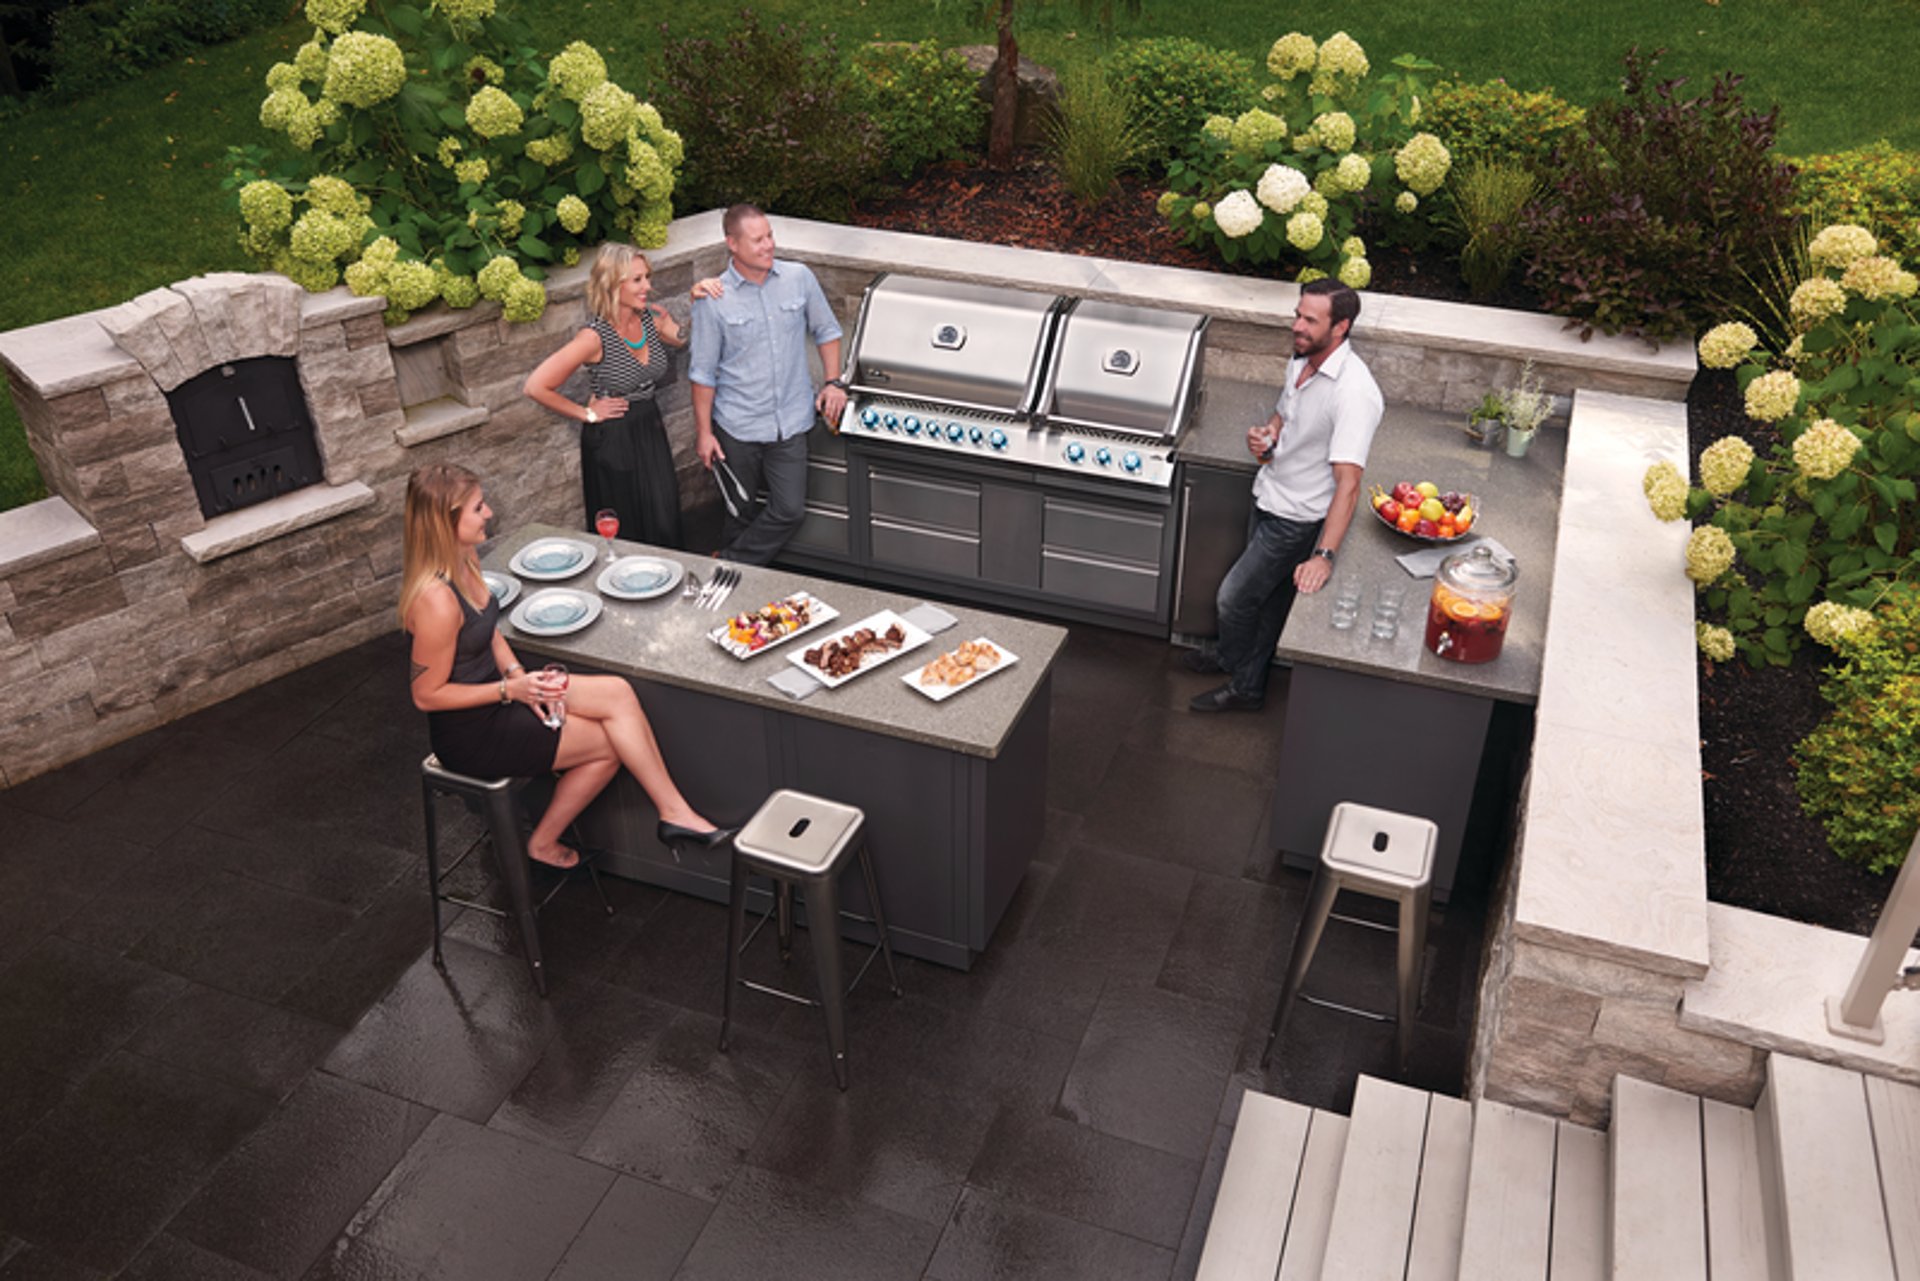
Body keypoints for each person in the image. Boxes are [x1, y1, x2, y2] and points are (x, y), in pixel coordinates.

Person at [399, 463, 729, 866]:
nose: (489, 513)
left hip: (503, 695)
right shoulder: (435, 599)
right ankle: (544, 842)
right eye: (478, 508)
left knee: (618, 692)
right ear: (445, 522)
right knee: (609, 745)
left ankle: (674, 813)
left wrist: (517, 674)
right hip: (471, 733)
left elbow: (488, 630)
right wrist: (509, 690)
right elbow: (426, 696)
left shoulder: (464, 557)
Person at [1189, 278, 1384, 713]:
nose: (1297, 326)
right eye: (1298, 315)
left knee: (1234, 598)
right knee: (1266, 602)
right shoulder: (1303, 358)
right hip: (1269, 493)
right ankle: (1247, 683)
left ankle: (1234, 666)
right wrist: (1268, 436)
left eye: (1310, 320)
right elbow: (1285, 414)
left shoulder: (1354, 393)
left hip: (1297, 520)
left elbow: (1349, 484)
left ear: (1340, 327)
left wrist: (1323, 556)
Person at [687, 204, 847, 565]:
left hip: (790, 421)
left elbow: (827, 330)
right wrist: (704, 433)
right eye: (757, 240)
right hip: (737, 427)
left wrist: (833, 382)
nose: (769, 245)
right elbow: (702, 374)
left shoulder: (799, 278)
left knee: (789, 509)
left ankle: (727, 562)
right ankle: (736, 584)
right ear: (732, 243)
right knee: (739, 511)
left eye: (770, 235)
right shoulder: (713, 300)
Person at [524, 244, 688, 549]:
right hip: (613, 434)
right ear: (613, 284)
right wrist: (587, 413)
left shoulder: (650, 319)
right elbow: (535, 386)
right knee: (626, 523)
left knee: (663, 515)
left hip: (649, 424)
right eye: (637, 280)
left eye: (647, 277)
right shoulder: (593, 337)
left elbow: (684, 341)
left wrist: (680, 318)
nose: (647, 286)